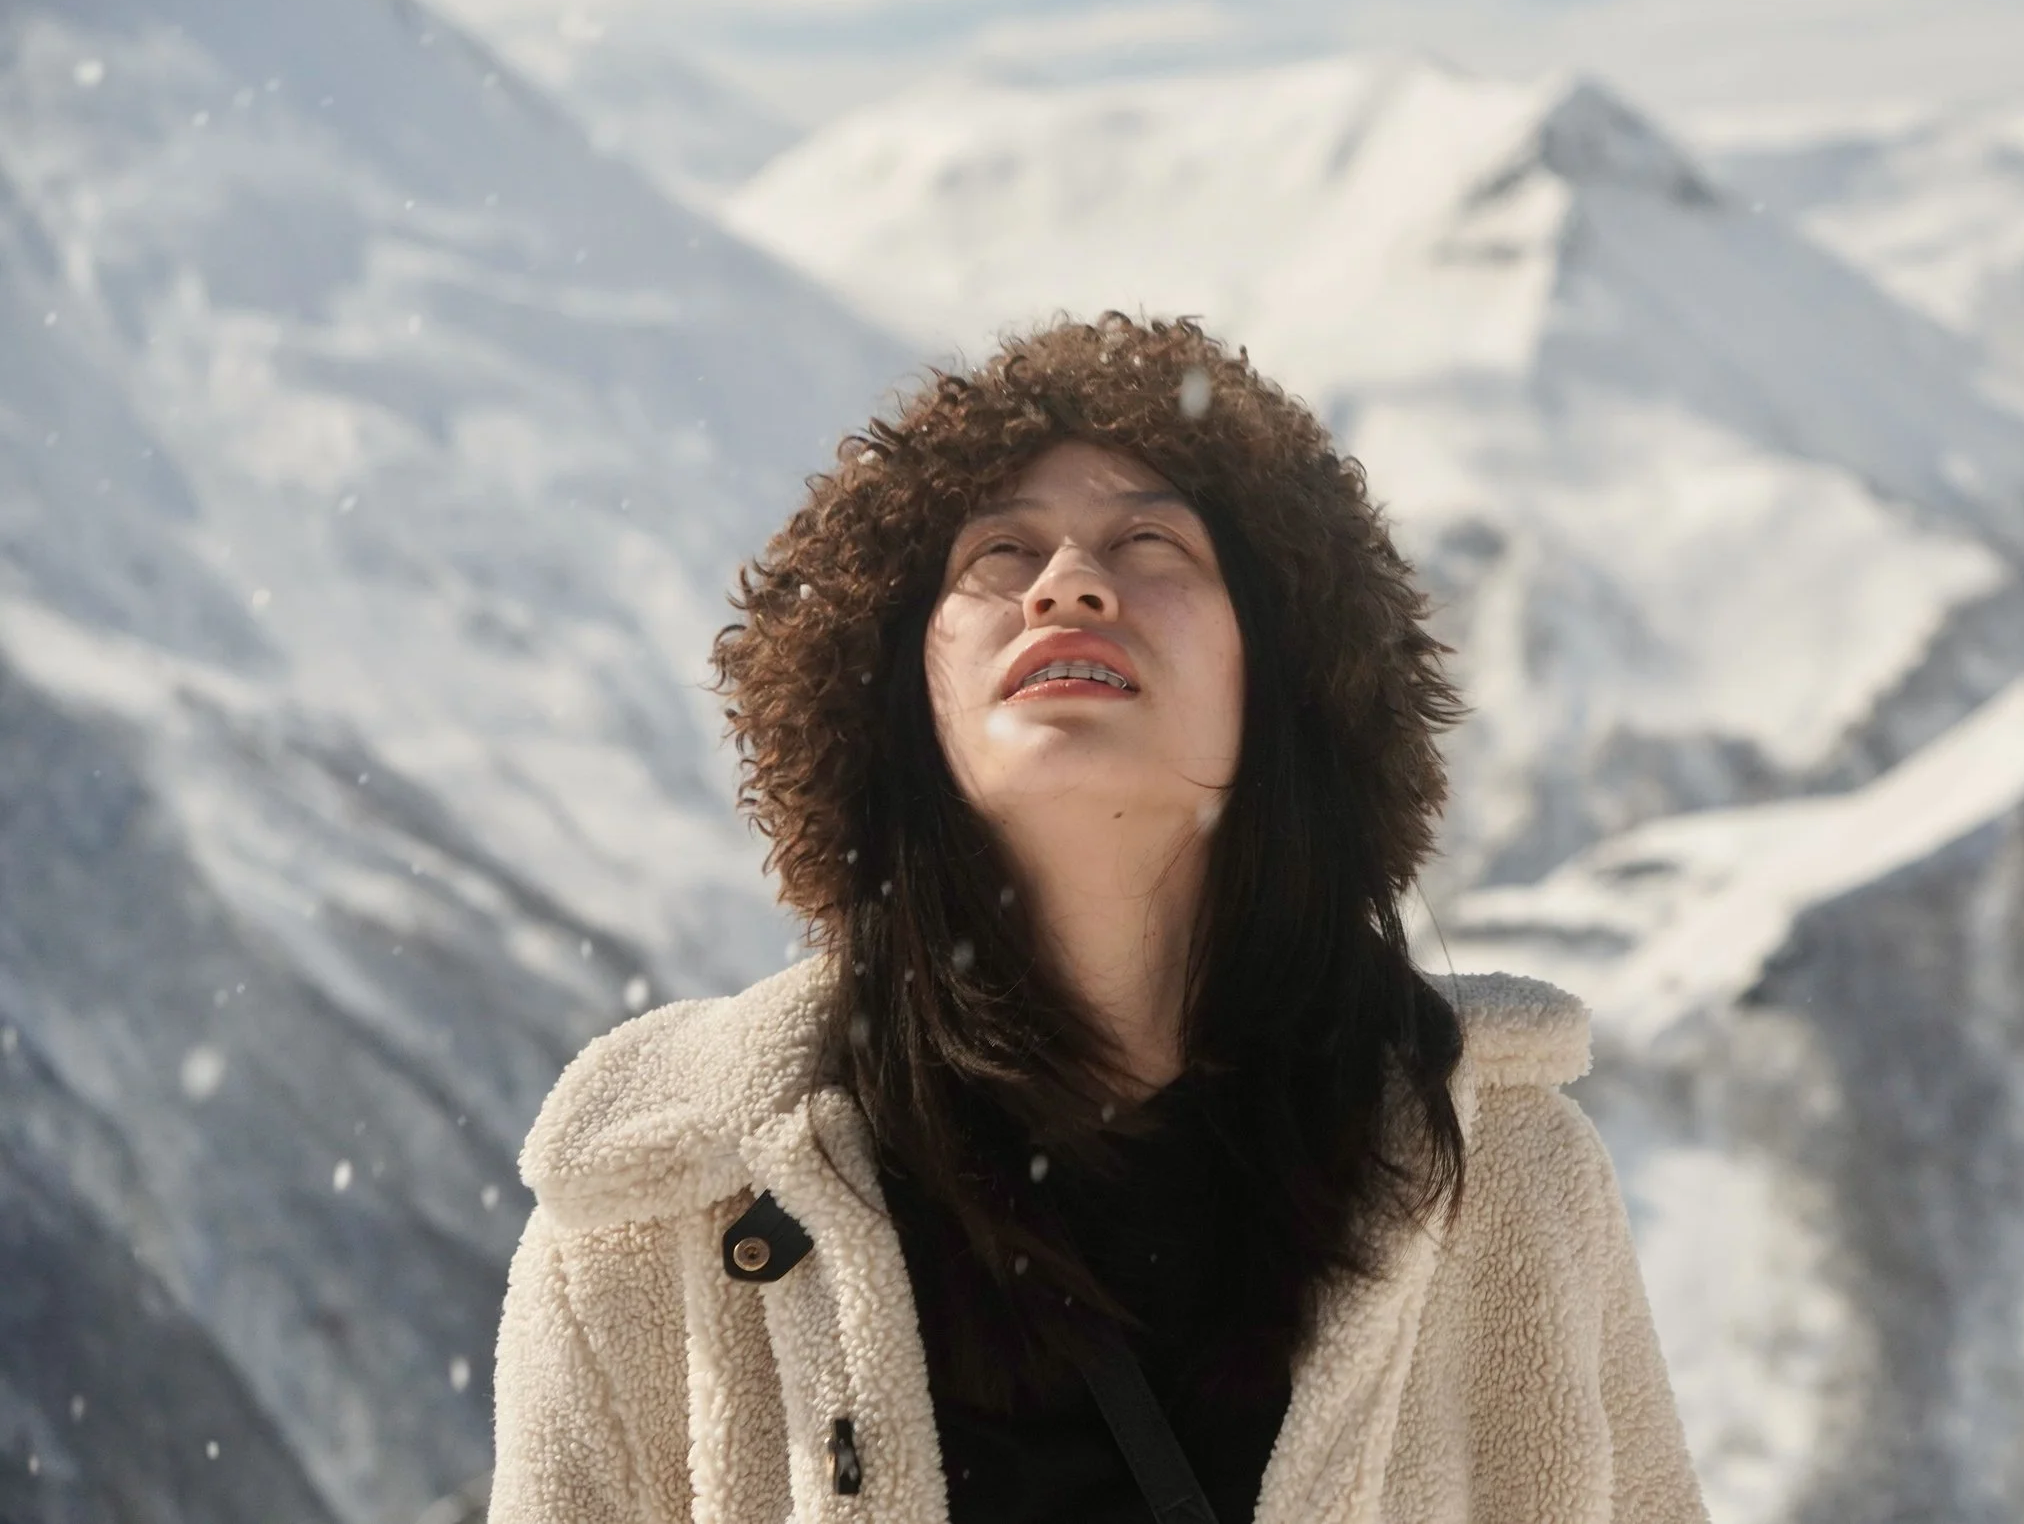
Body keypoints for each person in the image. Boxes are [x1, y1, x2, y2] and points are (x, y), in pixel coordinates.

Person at [486, 314, 1711, 1523]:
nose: (1069, 582)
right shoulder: (658, 1209)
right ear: (900, 696)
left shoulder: (1505, 1178)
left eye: (1149, 541)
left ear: (1279, 683)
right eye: (998, 555)